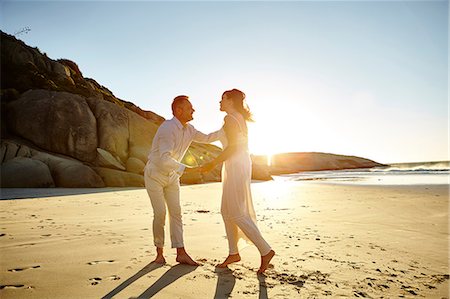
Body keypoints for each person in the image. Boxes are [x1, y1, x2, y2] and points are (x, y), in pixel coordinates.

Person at [201, 89, 275, 274]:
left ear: (231, 101)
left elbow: (233, 147)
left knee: (235, 212)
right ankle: (233, 253)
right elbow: (214, 137)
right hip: (238, 163)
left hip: (235, 164)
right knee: (226, 210)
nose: (219, 102)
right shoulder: (235, 118)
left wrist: (212, 164)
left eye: (222, 99)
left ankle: (265, 250)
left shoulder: (230, 119)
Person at [145, 95, 223, 265]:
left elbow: (208, 138)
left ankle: (181, 252)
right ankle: (159, 253)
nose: (193, 110)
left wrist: (227, 128)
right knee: (160, 213)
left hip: (172, 177)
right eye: (190, 108)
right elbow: (164, 158)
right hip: (155, 175)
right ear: (178, 110)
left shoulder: (189, 129)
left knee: (176, 213)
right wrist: (187, 170)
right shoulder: (167, 128)